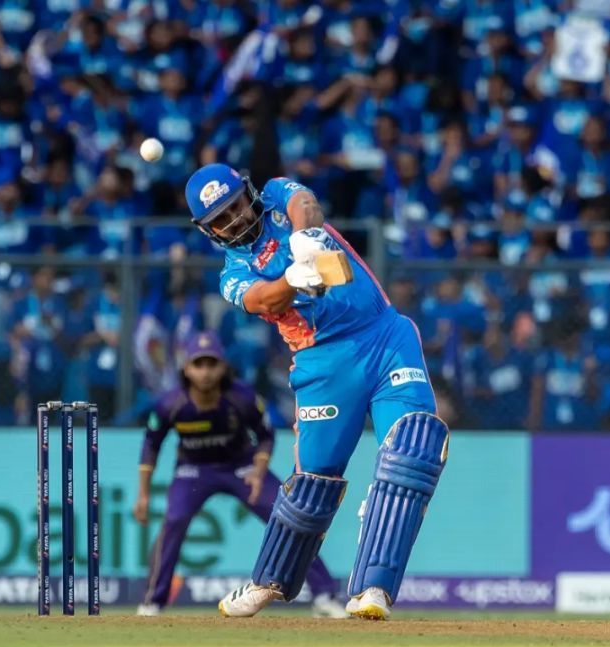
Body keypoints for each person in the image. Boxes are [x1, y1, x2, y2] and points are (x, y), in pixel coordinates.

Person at [184, 164, 451, 620]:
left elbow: (305, 203)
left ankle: (373, 589)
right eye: (221, 220)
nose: (235, 221)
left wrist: (304, 240)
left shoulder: (275, 195)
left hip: (384, 337)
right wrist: (292, 280)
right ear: (208, 231)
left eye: (236, 207)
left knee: (414, 450)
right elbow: (264, 301)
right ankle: (268, 579)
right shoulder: (231, 274)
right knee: (313, 484)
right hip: (322, 362)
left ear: (248, 193)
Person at [133, 331, 346, 618]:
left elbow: (265, 436)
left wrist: (258, 473)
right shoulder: (170, 403)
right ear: (186, 368)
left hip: (241, 467)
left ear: (223, 366)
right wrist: (143, 495)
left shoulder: (241, 396)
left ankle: (324, 595)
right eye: (199, 364)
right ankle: (152, 602)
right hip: (193, 469)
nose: (206, 372)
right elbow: (151, 445)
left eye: (212, 364)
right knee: (174, 521)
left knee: (289, 519)